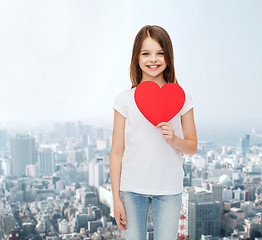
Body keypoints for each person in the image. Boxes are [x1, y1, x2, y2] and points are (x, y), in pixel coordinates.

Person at [109, 25, 197, 240]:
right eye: (146, 53)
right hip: (131, 188)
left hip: (169, 189)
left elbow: (192, 146)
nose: (153, 59)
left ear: (168, 56)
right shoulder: (124, 99)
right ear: (136, 58)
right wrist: (116, 198)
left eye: (160, 53)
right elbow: (117, 152)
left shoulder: (181, 96)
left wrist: (174, 139)